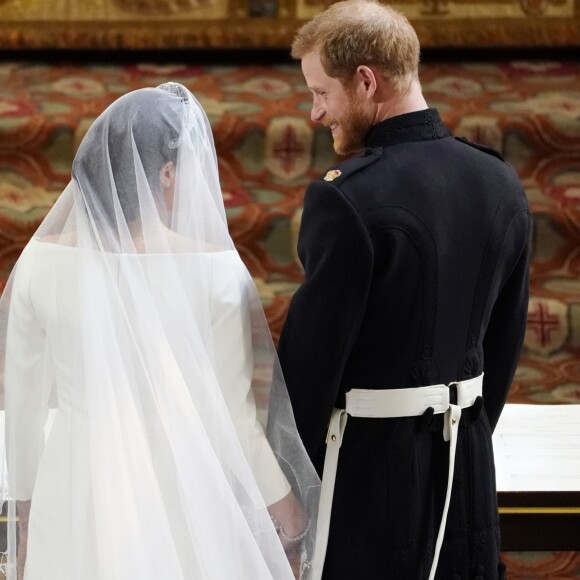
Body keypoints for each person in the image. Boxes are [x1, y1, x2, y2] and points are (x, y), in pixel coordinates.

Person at [0, 82, 320, 580]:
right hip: (180, 486)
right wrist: (288, 514)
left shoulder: (39, 264)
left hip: (74, 487)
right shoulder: (216, 273)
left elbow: (21, 412)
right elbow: (234, 421)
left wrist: (22, 522)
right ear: (167, 173)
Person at [277, 1, 531, 579]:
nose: (315, 114)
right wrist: (461, 437)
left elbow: (310, 368)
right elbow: (505, 346)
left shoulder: (345, 198)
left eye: (321, 93)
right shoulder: (499, 181)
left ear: (366, 80)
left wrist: (292, 499)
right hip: (467, 466)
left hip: (370, 481)